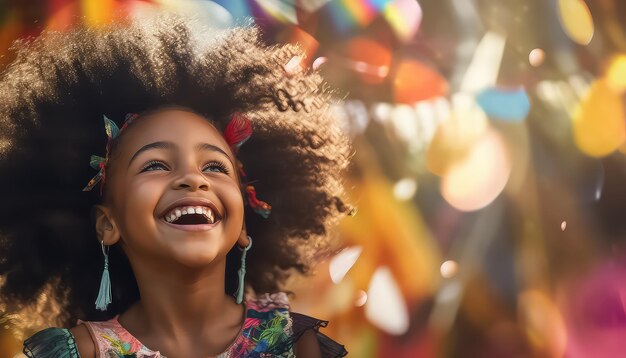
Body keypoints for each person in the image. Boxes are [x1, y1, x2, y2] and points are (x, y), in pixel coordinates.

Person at [0, 11, 352, 357]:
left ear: (243, 221)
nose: (192, 178)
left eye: (214, 166)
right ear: (108, 224)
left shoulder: (292, 341)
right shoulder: (81, 351)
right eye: (155, 164)